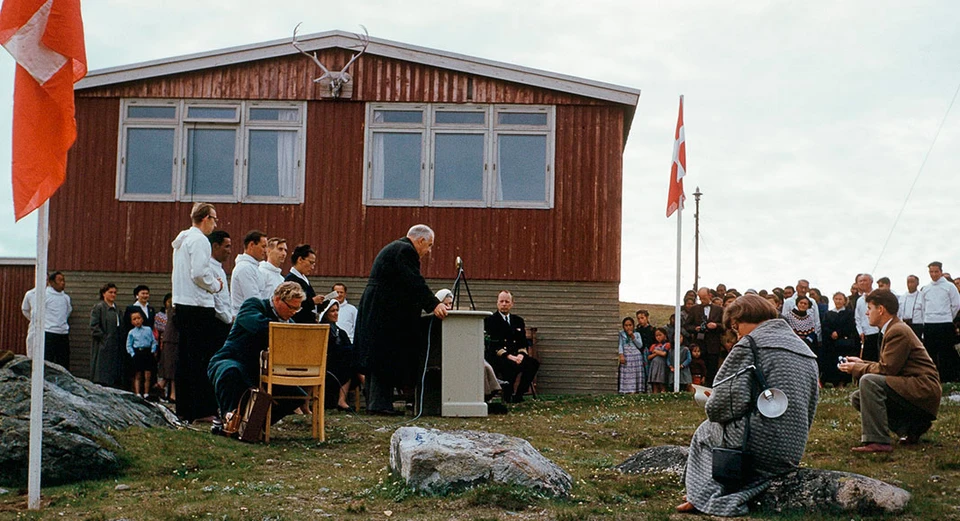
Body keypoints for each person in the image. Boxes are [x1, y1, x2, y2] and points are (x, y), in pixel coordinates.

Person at [679, 294, 819, 516]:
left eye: (735, 329)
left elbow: (721, 408)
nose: (737, 335)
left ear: (739, 321)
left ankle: (702, 496)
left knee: (705, 432)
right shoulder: (804, 350)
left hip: (758, 447)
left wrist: (711, 399)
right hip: (791, 449)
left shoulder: (751, 345)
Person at [355, 225, 448, 415]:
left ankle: (376, 404)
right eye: (429, 245)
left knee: (377, 358)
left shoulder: (395, 248)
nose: (428, 251)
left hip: (378, 308)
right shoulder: (405, 251)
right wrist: (434, 304)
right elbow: (414, 281)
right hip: (384, 312)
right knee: (384, 357)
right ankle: (380, 405)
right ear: (420, 240)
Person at [839, 290, 941, 452]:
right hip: (916, 386)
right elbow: (890, 366)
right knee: (859, 397)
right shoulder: (894, 328)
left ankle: (877, 440)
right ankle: (911, 428)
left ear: (881, 310)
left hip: (922, 388)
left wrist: (857, 368)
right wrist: (862, 363)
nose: (867, 312)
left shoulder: (897, 331)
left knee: (868, 381)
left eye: (870, 308)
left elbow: (887, 369)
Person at [207, 282, 308, 430]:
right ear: (278, 299)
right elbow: (257, 326)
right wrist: (287, 330)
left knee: (296, 396)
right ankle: (228, 420)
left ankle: (254, 424)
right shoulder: (253, 305)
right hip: (231, 359)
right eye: (291, 307)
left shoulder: (288, 323)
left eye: (297, 308)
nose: (293, 312)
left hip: (260, 370)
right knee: (231, 372)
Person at [171, 202, 223, 423]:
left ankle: (184, 408)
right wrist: (216, 285)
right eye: (214, 219)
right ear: (205, 218)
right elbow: (200, 273)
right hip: (198, 306)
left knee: (185, 360)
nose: (215, 223)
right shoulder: (201, 240)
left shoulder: (182, 240)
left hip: (181, 304)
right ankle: (202, 410)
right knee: (202, 361)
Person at [484, 290, 540, 403]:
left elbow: (522, 341)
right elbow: (493, 344)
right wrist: (509, 356)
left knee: (533, 364)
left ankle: (519, 395)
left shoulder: (518, 321)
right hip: (499, 356)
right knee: (510, 366)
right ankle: (507, 396)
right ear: (497, 303)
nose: (504, 304)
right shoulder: (490, 320)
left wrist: (521, 355)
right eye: (501, 301)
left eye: (507, 301)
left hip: (516, 355)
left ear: (512, 304)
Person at [21, 271, 73, 368]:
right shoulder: (43, 296)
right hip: (48, 333)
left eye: (64, 280)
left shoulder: (66, 297)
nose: (63, 283)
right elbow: (35, 313)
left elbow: (68, 311)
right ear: (51, 282)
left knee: (63, 363)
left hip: (62, 333)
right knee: (47, 363)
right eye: (60, 280)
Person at [920, 261, 960, 382]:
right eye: (931, 272)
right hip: (929, 324)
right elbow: (923, 307)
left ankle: (948, 378)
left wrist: (947, 317)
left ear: (941, 272)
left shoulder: (949, 286)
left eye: (936, 271)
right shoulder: (926, 288)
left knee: (946, 352)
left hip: (945, 323)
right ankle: (932, 378)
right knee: (930, 352)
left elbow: (956, 305)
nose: (934, 274)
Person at [318, 299, 358, 412]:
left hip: (341, 365)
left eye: (337, 310)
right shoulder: (321, 330)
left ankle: (342, 400)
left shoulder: (340, 331)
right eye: (332, 311)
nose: (336, 313)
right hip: (326, 365)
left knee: (351, 362)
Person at [682, 287, 724, 386]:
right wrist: (695, 329)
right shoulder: (694, 309)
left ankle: (711, 387)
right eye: (700, 298)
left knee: (712, 368)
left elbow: (725, 326)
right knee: (698, 367)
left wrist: (716, 326)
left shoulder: (719, 310)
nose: (702, 300)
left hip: (713, 344)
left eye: (704, 298)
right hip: (699, 345)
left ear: (710, 295)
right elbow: (687, 325)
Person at [90, 283, 123, 388]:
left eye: (115, 293)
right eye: (110, 292)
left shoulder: (117, 309)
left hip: (116, 344)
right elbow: (94, 326)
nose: (113, 295)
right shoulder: (99, 307)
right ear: (104, 294)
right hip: (103, 345)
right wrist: (104, 338)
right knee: (102, 370)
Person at [821, 292, 858, 387]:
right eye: (836, 299)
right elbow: (824, 326)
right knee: (832, 362)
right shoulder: (828, 313)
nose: (838, 301)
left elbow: (850, 326)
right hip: (831, 343)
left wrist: (839, 333)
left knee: (842, 361)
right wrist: (831, 333)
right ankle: (833, 382)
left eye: (840, 299)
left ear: (845, 301)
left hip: (843, 342)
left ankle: (843, 382)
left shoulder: (849, 313)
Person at [285, 244, 323, 324]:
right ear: (300, 259)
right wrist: (312, 301)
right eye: (310, 262)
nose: (312, 267)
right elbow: (293, 305)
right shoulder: (291, 280)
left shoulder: (304, 279)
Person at [231, 230, 267, 314]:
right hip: (246, 317)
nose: (265, 251)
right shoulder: (245, 268)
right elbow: (253, 299)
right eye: (263, 246)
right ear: (251, 245)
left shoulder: (253, 267)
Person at [125, 310, 158, 399]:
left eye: (139, 318)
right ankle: (138, 393)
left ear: (142, 319)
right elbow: (129, 345)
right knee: (138, 374)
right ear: (132, 322)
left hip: (147, 352)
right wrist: (133, 354)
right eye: (134, 319)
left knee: (148, 374)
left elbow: (154, 341)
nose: (137, 321)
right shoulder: (131, 332)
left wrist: (152, 350)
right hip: (138, 353)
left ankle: (146, 393)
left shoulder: (148, 329)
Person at [781, 280, 821, 344]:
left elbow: (816, 321)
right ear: (797, 287)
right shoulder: (788, 302)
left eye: (805, 288)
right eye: (801, 287)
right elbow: (784, 321)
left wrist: (818, 339)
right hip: (792, 339)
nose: (803, 290)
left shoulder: (812, 302)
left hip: (810, 338)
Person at [854, 273, 880, 361]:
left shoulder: (879, 296)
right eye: (860, 281)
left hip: (879, 333)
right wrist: (860, 331)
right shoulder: (859, 300)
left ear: (871, 281)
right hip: (866, 335)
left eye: (865, 280)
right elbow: (857, 318)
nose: (862, 283)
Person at [155, 293, 175, 402]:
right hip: (174, 340)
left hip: (169, 339)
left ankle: (161, 385)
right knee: (172, 367)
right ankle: (172, 393)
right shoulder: (174, 311)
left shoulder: (169, 312)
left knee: (169, 366)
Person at [618, 317, 646, 394]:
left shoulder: (637, 334)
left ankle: (637, 390)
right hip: (626, 356)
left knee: (635, 374)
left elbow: (640, 345)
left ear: (633, 326)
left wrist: (633, 337)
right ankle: (626, 390)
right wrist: (621, 355)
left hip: (636, 357)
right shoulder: (621, 334)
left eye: (630, 325)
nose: (628, 327)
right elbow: (620, 345)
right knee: (627, 374)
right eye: (626, 325)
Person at [898, 275, 924, 339]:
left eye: (912, 282)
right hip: (904, 325)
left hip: (917, 326)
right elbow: (899, 313)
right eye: (908, 282)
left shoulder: (922, 297)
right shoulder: (902, 297)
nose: (910, 284)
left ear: (917, 283)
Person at [646, 328, 670, 394]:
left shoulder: (667, 344)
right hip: (654, 365)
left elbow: (664, 353)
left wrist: (656, 352)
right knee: (654, 383)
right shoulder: (653, 346)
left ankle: (663, 393)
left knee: (661, 382)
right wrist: (657, 353)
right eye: (656, 336)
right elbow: (649, 357)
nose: (658, 337)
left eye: (660, 335)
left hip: (662, 365)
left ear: (665, 335)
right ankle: (655, 394)